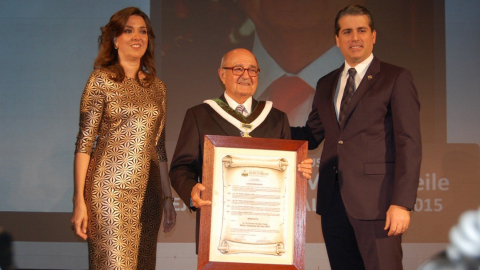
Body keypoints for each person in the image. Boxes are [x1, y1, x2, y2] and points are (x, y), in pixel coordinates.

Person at [291, 5, 422, 270]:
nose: (355, 38)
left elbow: (409, 142)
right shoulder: (326, 83)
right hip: (333, 203)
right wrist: (263, 128)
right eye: (347, 32)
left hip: (379, 204)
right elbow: (312, 135)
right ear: (337, 40)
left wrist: (402, 203)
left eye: (362, 30)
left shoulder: (396, 78)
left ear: (373, 36)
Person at [169, 48, 312, 249]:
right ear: (222, 74)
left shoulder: (276, 119)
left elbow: (285, 176)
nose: (246, 75)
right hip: (219, 229)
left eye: (252, 70)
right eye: (238, 69)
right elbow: (180, 168)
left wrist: (299, 172)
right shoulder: (200, 115)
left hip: (267, 232)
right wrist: (191, 190)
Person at [70, 7, 176, 269]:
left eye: (142, 31)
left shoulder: (158, 87)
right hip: (110, 192)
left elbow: (158, 146)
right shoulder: (100, 80)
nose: (136, 36)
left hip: (149, 195)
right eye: (128, 30)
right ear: (115, 40)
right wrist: (79, 201)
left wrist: (167, 198)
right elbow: (84, 142)